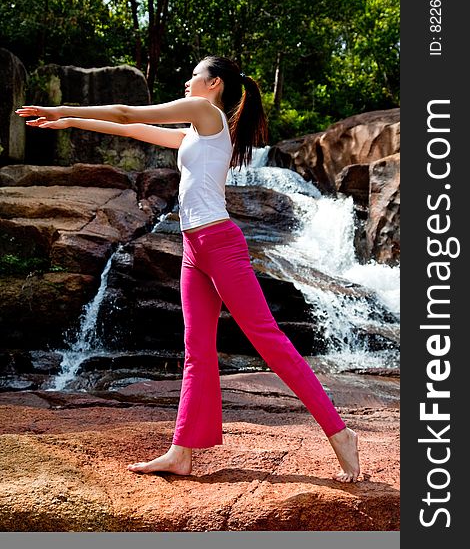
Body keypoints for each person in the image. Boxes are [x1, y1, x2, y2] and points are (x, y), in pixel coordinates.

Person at [16, 55, 360, 483]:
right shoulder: (198, 135)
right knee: (196, 351)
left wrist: (60, 109)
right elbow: (130, 127)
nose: (186, 79)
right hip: (194, 245)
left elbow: (127, 110)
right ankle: (182, 452)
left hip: (220, 243)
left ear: (213, 84)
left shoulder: (206, 112)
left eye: (194, 74)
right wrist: (70, 124)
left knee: (269, 340)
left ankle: (340, 433)